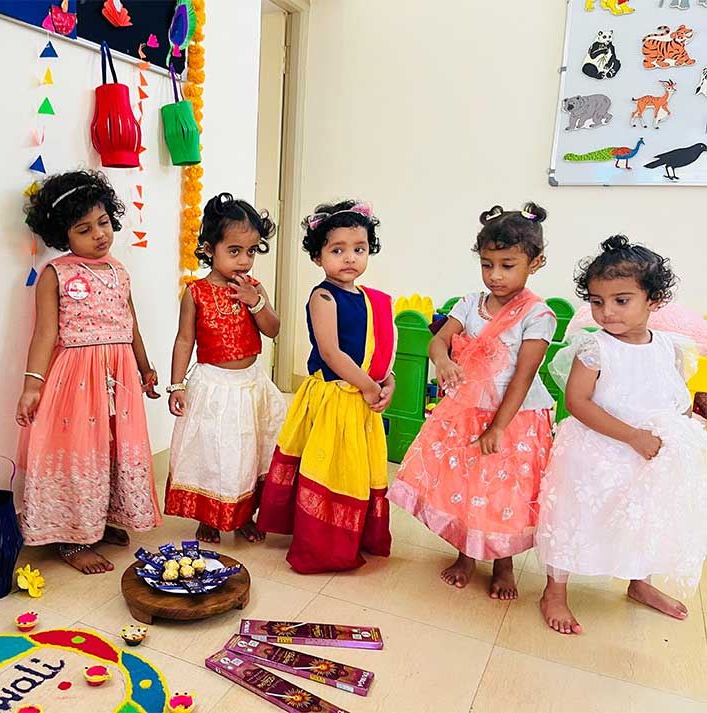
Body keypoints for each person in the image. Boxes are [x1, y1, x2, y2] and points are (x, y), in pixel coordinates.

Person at [537, 236, 707, 634]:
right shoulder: (594, 348)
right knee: (575, 518)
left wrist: (683, 426)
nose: (607, 312)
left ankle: (639, 582)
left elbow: (671, 397)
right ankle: (555, 591)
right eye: (598, 302)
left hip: (644, 456)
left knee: (641, 519)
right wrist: (631, 436)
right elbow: (577, 401)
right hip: (594, 453)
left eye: (621, 300)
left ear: (654, 300)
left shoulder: (670, 348)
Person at [390, 203, 556, 600]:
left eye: (507, 265)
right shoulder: (469, 304)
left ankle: (503, 564)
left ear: (535, 262)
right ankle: (466, 554)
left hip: (513, 419)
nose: (495, 275)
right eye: (487, 264)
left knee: (504, 491)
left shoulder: (538, 315)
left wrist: (498, 427)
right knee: (467, 483)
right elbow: (437, 341)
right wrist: (444, 361)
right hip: (466, 413)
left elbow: (523, 376)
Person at [15, 170, 161, 575]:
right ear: (63, 235)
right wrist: (32, 386)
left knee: (113, 449)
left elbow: (131, 324)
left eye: (103, 222)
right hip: (77, 379)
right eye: (84, 229)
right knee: (82, 452)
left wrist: (145, 367)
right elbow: (44, 333)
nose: (99, 234)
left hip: (120, 377)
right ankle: (71, 537)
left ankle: (101, 519)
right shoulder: (56, 273)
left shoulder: (119, 271)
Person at [257, 200, 396, 574]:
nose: (349, 258)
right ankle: (321, 544)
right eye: (337, 250)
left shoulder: (371, 300)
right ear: (317, 256)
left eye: (359, 249)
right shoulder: (323, 296)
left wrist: (388, 382)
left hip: (361, 397)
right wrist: (369, 387)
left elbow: (378, 351)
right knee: (328, 467)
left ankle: (353, 535)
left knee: (355, 468)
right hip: (333, 398)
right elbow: (332, 353)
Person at [165, 193, 287, 544]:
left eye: (251, 251)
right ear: (209, 248)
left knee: (249, 451)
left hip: (251, 386)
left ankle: (243, 514)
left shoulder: (253, 288)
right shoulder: (196, 292)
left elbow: (273, 329)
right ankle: (209, 516)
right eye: (234, 251)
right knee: (214, 452)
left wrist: (256, 302)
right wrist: (177, 385)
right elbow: (184, 340)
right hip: (213, 387)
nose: (244, 260)